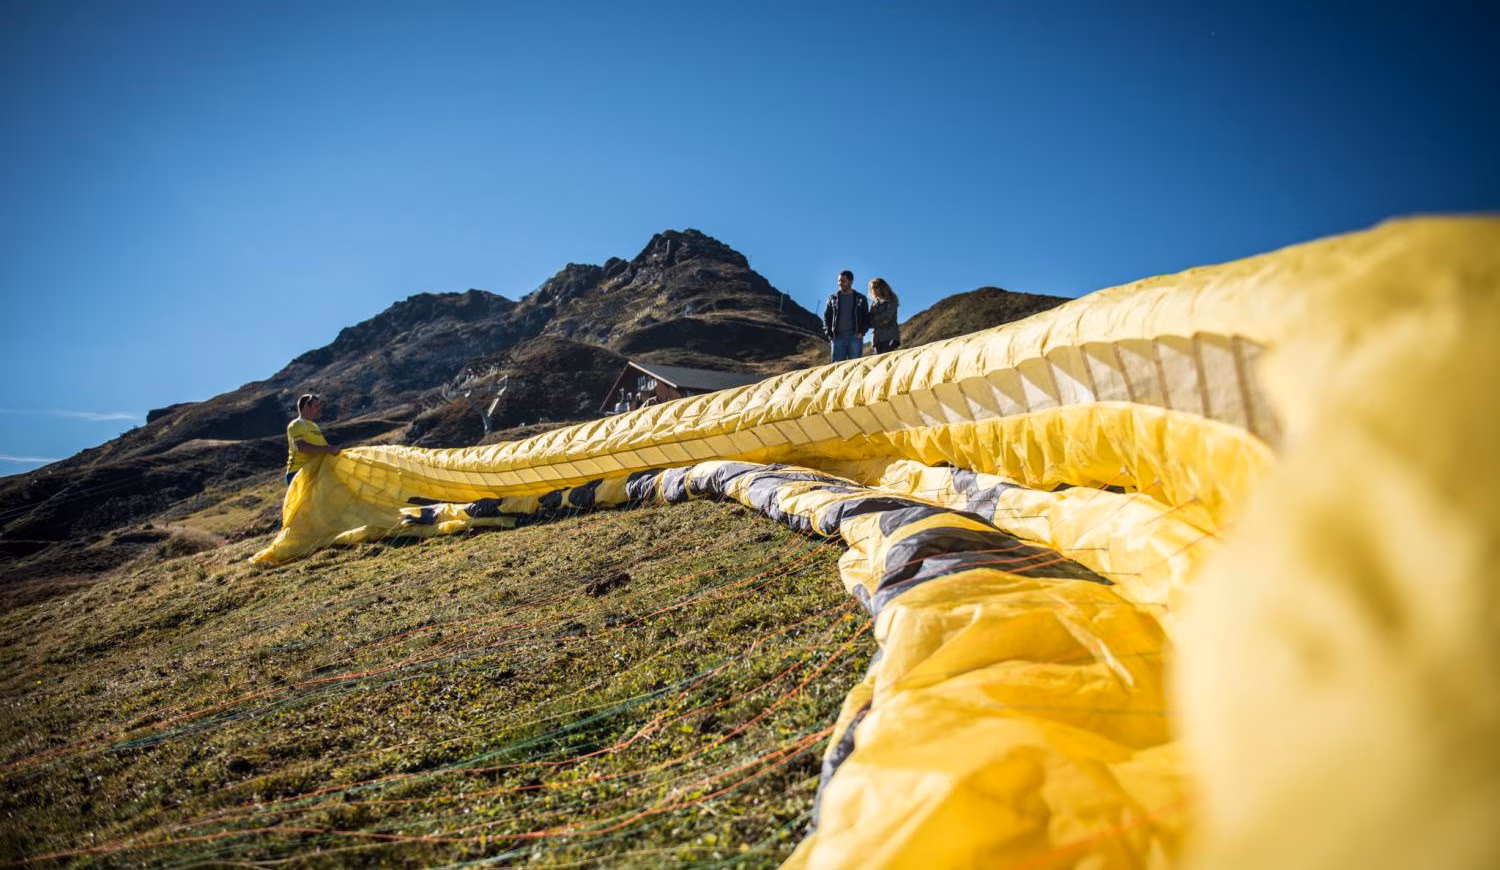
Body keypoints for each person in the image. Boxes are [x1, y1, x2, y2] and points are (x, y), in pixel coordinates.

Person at [285, 393, 340, 486]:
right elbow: (302, 447)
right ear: (306, 406)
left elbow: (323, 447)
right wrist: (327, 449)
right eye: (316, 406)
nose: (318, 409)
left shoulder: (314, 426)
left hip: (314, 471)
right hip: (299, 472)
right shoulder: (296, 424)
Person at [821, 269, 870, 363]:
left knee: (855, 366)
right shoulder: (832, 299)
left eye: (843, 281)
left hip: (855, 338)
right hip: (837, 338)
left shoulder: (860, 298)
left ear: (851, 282)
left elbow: (866, 317)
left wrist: (862, 332)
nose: (840, 283)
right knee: (837, 367)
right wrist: (829, 334)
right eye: (839, 281)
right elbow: (826, 317)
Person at [868, 278, 901, 354]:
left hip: (890, 336)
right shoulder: (873, 305)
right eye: (872, 288)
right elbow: (870, 322)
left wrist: (875, 320)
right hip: (876, 339)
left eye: (876, 287)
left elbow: (887, 317)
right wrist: (879, 321)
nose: (874, 290)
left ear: (882, 287)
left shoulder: (891, 300)